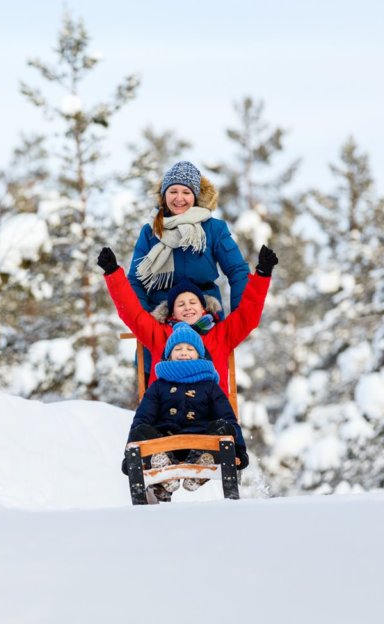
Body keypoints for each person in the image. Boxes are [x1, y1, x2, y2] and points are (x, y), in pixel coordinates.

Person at [96, 244, 278, 397]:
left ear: (203, 308)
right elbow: (132, 313)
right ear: (172, 314)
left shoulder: (221, 334)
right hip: (165, 415)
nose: (188, 307)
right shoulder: (159, 334)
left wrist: (262, 274)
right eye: (180, 304)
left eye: (193, 302)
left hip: (211, 415)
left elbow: (248, 315)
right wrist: (113, 273)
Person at [119, 323, 247, 503]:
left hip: (201, 442)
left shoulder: (209, 385)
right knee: (141, 429)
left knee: (223, 427)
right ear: (169, 354)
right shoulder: (158, 386)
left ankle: (202, 464)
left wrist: (240, 450)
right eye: (177, 348)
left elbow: (228, 417)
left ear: (199, 354)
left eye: (190, 348)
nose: (183, 352)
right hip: (165, 445)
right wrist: (130, 454)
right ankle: (164, 470)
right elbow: (142, 418)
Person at [127, 160, 250, 318]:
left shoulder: (214, 228)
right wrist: (144, 321)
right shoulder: (150, 231)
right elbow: (135, 279)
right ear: (164, 195)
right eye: (173, 191)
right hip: (161, 317)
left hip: (206, 314)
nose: (179, 198)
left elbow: (237, 270)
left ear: (196, 196)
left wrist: (240, 315)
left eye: (186, 192)